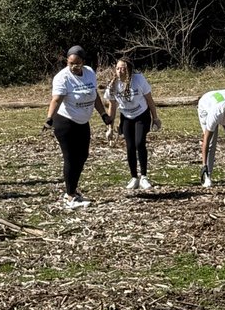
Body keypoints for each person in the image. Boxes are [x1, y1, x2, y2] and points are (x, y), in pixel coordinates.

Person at [45, 46, 111, 209]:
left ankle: (72, 189)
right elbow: (56, 100)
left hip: (83, 122)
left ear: (83, 61)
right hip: (65, 122)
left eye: (77, 63)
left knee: (82, 156)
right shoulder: (62, 77)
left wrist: (103, 115)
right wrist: (49, 119)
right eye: (71, 63)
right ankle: (70, 197)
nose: (74, 66)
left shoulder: (89, 72)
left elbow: (94, 95)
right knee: (71, 158)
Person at [104, 57, 161, 190]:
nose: (120, 71)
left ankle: (144, 177)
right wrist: (110, 128)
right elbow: (112, 107)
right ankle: (134, 177)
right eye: (117, 68)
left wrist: (155, 118)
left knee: (139, 143)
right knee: (130, 147)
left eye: (123, 68)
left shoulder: (139, 80)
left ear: (129, 69)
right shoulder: (113, 85)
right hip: (126, 117)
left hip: (142, 114)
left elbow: (149, 100)